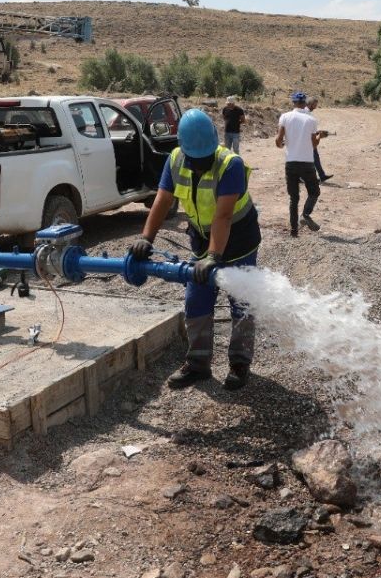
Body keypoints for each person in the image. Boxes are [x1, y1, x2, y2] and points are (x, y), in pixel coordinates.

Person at [129, 108, 261, 390]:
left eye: (204, 159)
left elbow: (223, 216)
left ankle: (239, 363)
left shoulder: (230, 165)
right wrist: (146, 238)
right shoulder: (175, 160)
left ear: (215, 145)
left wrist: (214, 256)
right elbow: (162, 201)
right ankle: (199, 364)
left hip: (239, 241)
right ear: (184, 150)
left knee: (242, 302)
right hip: (203, 241)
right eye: (194, 159)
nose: (199, 164)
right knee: (196, 300)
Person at [276, 91, 322, 237]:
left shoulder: (285, 117)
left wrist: (282, 143)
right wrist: (319, 136)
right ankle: (306, 215)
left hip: (291, 163)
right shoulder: (311, 120)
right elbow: (314, 144)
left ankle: (294, 231)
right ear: (305, 103)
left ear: (293, 102)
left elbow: (278, 141)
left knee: (293, 198)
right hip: (307, 163)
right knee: (314, 192)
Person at [306, 96, 333, 182]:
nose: (315, 107)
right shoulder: (306, 113)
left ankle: (321, 176)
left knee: (315, 157)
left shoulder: (307, 112)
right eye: (314, 105)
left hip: (308, 138)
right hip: (306, 140)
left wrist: (317, 133)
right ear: (309, 104)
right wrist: (318, 134)